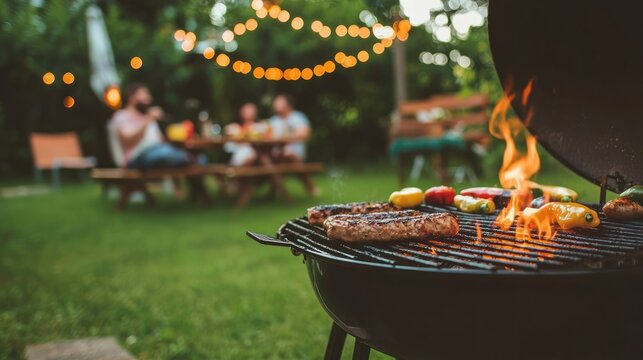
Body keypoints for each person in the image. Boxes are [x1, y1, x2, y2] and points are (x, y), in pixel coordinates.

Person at [108, 83, 194, 169]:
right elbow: (128, 141)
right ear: (131, 98)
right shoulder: (122, 116)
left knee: (197, 157)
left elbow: (159, 141)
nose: (148, 97)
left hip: (158, 152)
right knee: (164, 153)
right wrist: (148, 119)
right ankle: (184, 158)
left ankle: (186, 158)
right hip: (136, 158)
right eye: (144, 94)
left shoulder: (147, 117)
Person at [268, 94, 311, 161]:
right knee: (264, 156)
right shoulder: (273, 120)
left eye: (279, 102)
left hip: (294, 150)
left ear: (288, 104)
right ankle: (273, 171)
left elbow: (305, 134)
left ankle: (299, 168)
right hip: (276, 151)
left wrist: (285, 138)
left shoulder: (298, 117)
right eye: (275, 102)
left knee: (286, 152)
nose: (276, 104)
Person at [225, 102, 259, 166]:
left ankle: (235, 172)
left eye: (250, 109)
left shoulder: (258, 127)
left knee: (247, 154)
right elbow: (228, 148)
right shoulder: (235, 127)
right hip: (237, 153)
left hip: (250, 154)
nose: (248, 112)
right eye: (246, 109)